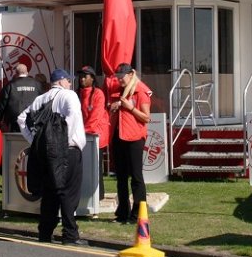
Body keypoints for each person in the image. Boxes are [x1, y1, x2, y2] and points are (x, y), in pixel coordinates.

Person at [18, 68, 87, 246]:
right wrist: (63, 142)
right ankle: (70, 235)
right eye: (69, 80)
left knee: (50, 193)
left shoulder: (41, 98)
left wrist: (34, 140)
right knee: (68, 192)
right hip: (67, 150)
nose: (71, 83)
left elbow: (21, 118)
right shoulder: (69, 96)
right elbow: (73, 118)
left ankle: (45, 232)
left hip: (45, 152)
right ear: (62, 81)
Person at [107, 63, 152, 225]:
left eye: (122, 77)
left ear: (131, 74)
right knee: (120, 178)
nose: (120, 81)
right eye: (118, 78)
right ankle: (122, 213)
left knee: (136, 177)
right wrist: (111, 107)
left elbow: (146, 118)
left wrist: (131, 108)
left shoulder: (140, 90)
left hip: (134, 138)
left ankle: (137, 214)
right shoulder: (118, 91)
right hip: (119, 136)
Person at [77, 65, 110, 198]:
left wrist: (82, 131)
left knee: (95, 167)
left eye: (85, 76)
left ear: (92, 78)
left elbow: (95, 117)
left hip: (96, 134)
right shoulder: (77, 93)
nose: (82, 79)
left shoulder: (98, 94)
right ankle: (84, 194)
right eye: (80, 76)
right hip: (83, 134)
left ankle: (98, 195)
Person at [0, 60, 42, 133]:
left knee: (15, 143)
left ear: (16, 73)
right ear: (27, 73)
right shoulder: (37, 84)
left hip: (14, 123)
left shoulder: (10, 85)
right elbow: (43, 101)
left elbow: (1, 104)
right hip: (33, 122)